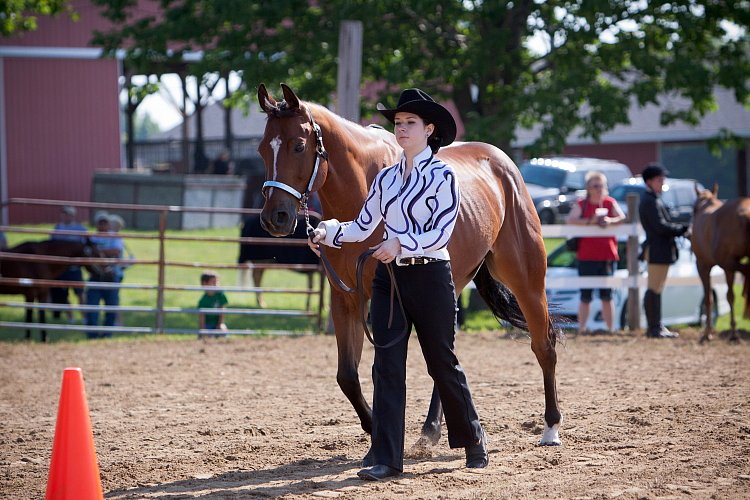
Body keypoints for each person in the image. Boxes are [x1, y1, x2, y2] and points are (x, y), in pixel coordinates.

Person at [308, 88, 488, 481]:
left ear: (429, 130)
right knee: (386, 366)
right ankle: (387, 457)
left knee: (441, 361)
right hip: (390, 279)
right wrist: (328, 231)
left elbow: (440, 232)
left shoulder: (444, 175)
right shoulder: (387, 178)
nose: (401, 129)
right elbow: (363, 226)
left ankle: (472, 437)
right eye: (398, 123)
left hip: (429, 276)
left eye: (409, 123)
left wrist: (399, 242)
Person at [566, 172, 625, 334]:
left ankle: (610, 329)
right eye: (595, 185)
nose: (599, 189)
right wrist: (589, 222)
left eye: (602, 185)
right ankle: (582, 329)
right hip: (586, 256)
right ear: (588, 188)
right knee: (586, 295)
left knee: (607, 295)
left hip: (607, 255)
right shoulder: (582, 204)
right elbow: (570, 220)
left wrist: (610, 221)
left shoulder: (609, 202)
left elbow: (622, 217)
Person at [638, 163, 689, 338]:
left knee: (656, 288)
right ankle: (653, 327)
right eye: (660, 180)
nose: (662, 183)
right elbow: (660, 226)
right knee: (654, 288)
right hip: (657, 249)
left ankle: (656, 326)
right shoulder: (649, 201)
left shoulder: (654, 199)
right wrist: (682, 229)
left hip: (661, 249)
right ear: (650, 181)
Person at [85, 211, 124, 339]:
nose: (103, 225)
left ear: (108, 224)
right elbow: (87, 254)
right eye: (100, 222)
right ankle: (92, 335)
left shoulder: (114, 237)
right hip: (96, 276)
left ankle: (107, 334)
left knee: (111, 306)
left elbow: (116, 251)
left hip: (111, 276)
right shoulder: (92, 238)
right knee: (92, 307)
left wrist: (98, 252)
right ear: (96, 224)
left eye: (105, 222)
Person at [49, 206, 87, 322]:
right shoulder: (57, 228)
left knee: (79, 293)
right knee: (63, 294)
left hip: (75, 267)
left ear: (73, 215)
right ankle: (70, 317)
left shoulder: (80, 229)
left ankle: (84, 316)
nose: (66, 216)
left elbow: (85, 247)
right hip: (61, 267)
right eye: (64, 213)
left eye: (68, 214)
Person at [197, 271, 228, 338]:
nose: (216, 284)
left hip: (217, 323)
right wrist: (203, 330)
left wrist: (219, 324)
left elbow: (222, 311)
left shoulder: (220, 295)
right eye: (213, 282)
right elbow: (202, 318)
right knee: (206, 336)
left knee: (223, 330)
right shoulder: (203, 301)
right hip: (207, 325)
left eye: (217, 282)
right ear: (205, 284)